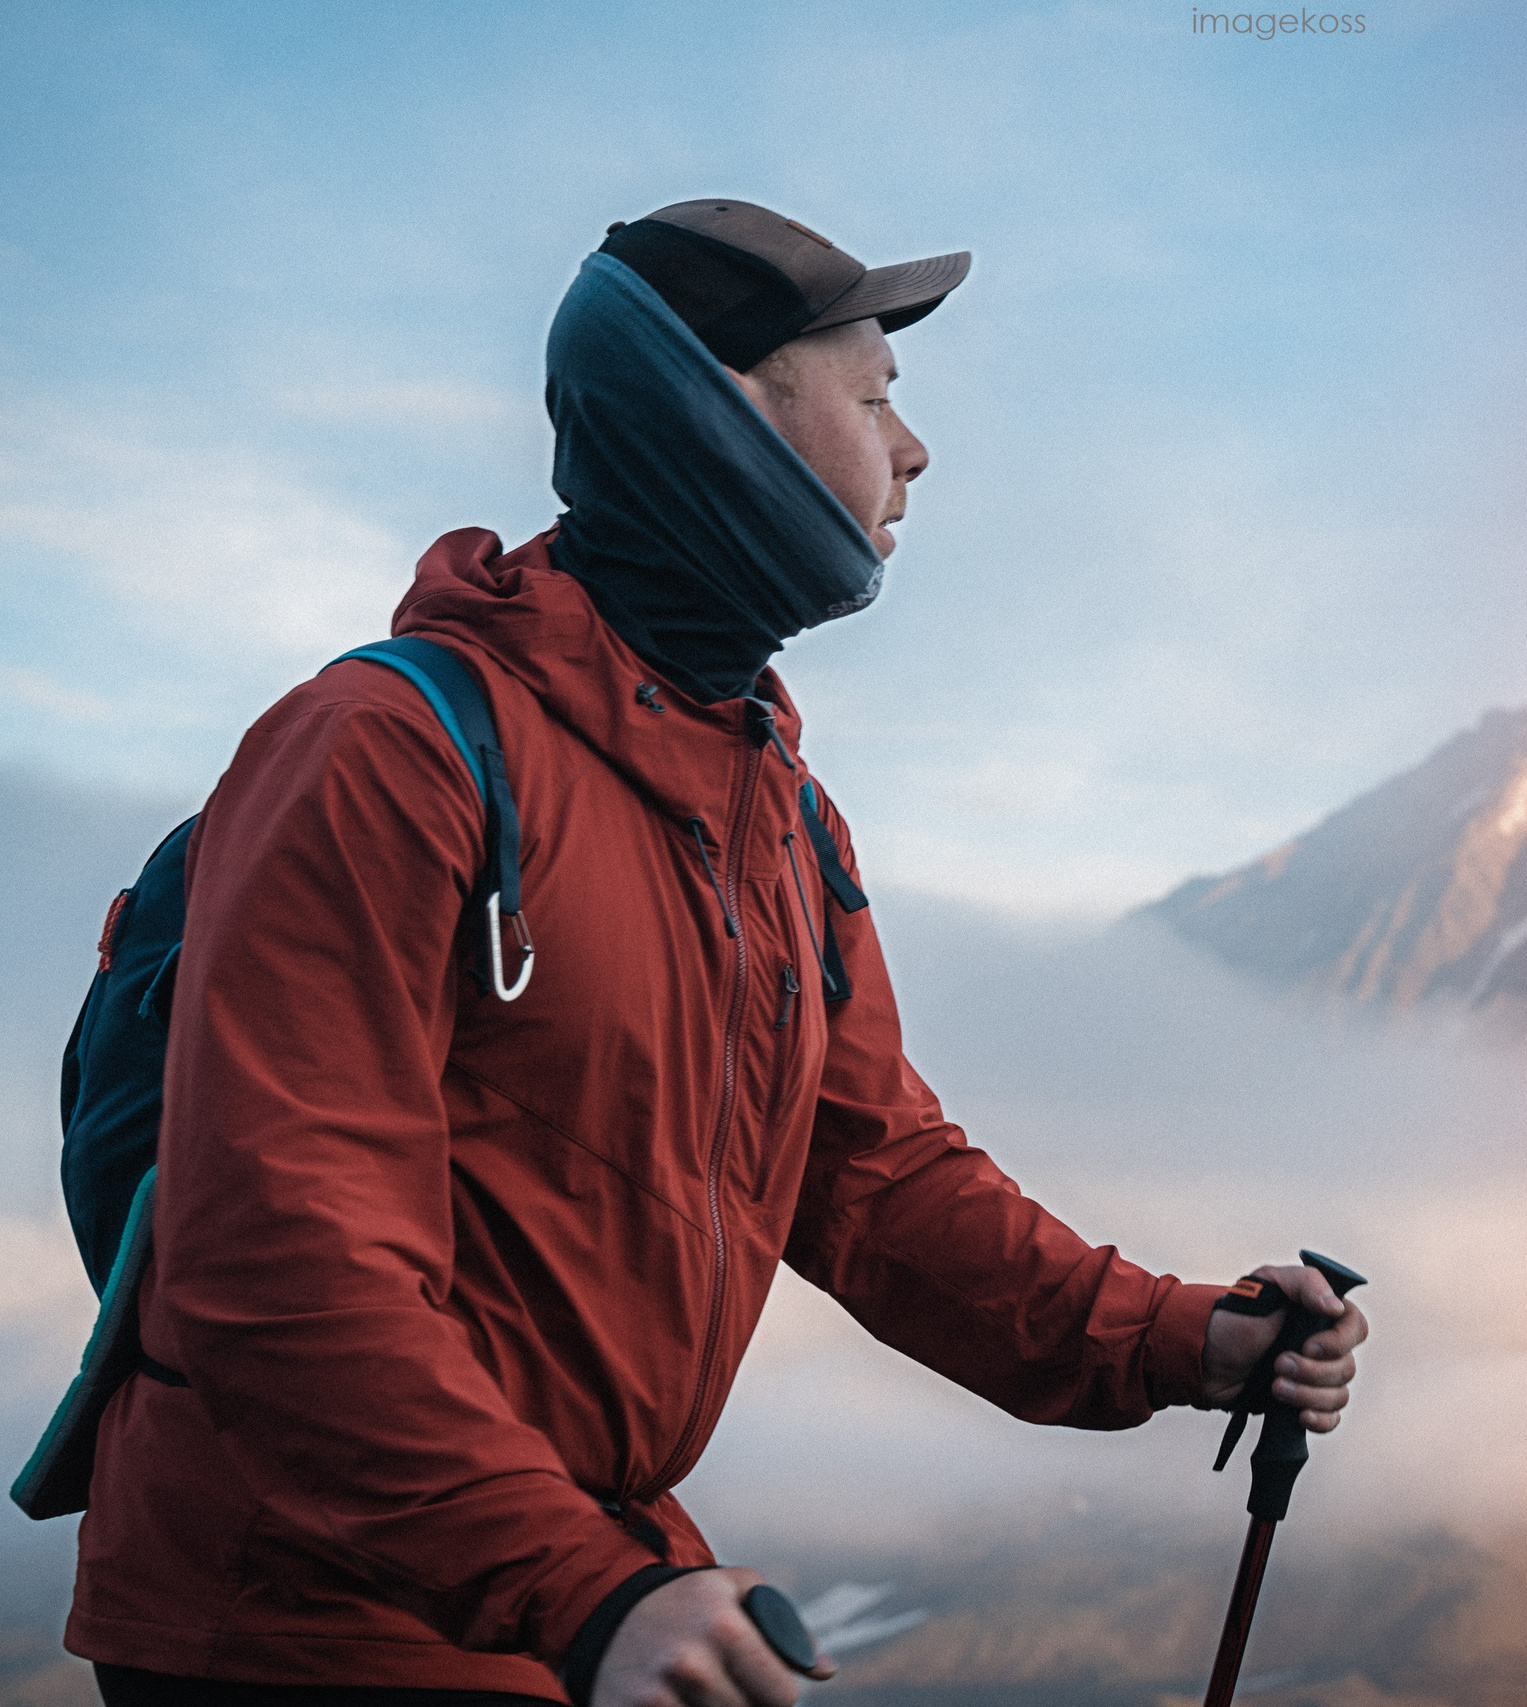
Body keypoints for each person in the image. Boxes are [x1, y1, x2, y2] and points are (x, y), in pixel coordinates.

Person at [65, 199, 1367, 1707]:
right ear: (726, 413)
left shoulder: (780, 814)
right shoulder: (386, 750)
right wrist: (587, 1591)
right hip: (307, 1623)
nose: (916, 452)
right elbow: (277, 1246)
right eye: (876, 397)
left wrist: (1185, 1338)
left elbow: (872, 1176)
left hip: (561, 1589)